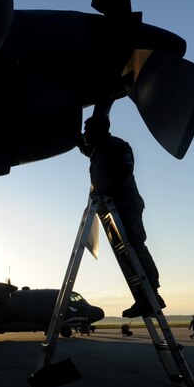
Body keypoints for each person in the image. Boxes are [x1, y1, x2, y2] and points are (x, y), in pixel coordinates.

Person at [77, 114, 165, 318]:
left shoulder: (117, 146)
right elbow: (88, 150)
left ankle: (153, 294)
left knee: (135, 246)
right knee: (125, 253)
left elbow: (124, 169)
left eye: (87, 130)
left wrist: (102, 190)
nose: (85, 134)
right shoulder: (99, 150)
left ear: (98, 130)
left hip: (124, 205)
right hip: (111, 208)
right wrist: (75, 139)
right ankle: (142, 297)